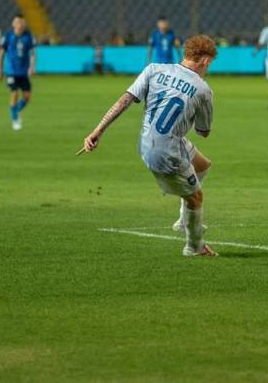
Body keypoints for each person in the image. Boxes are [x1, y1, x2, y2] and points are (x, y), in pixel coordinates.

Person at [81, 35, 218, 257]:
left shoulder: (154, 69)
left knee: (202, 166)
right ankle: (194, 247)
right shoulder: (203, 89)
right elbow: (204, 132)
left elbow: (124, 100)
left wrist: (98, 130)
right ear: (206, 61)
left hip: (147, 142)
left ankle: (184, 221)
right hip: (166, 152)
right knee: (195, 198)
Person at [0, 14, 36, 131]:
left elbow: (32, 53)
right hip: (12, 71)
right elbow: (1, 54)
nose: (20, 25)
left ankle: (15, 110)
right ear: (13, 24)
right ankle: (14, 119)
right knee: (14, 93)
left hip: (23, 72)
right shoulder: (8, 36)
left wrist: (32, 67)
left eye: (22, 22)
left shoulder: (28, 36)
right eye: (18, 22)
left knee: (27, 97)